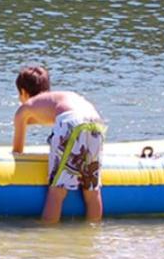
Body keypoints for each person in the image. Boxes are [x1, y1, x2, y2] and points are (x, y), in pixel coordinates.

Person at [11, 65, 106, 223]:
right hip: (95, 122)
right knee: (91, 190)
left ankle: (48, 233)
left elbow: (17, 151)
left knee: (57, 191)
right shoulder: (59, 98)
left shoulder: (25, 107)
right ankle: (93, 232)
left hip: (71, 121)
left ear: (23, 92)